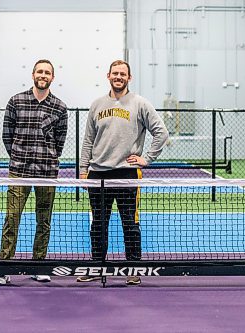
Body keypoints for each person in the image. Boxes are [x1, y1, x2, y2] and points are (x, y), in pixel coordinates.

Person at [78, 60, 168, 286]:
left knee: (130, 223)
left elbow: (162, 133)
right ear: (108, 76)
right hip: (98, 175)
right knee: (98, 224)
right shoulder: (97, 105)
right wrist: (82, 170)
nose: (118, 77)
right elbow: (88, 140)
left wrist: (146, 159)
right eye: (115, 73)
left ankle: (134, 269)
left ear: (130, 77)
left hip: (127, 174)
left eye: (123, 74)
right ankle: (98, 266)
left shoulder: (140, 104)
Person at [0, 59, 68, 285]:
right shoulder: (16, 101)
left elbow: (60, 143)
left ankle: (39, 266)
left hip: (47, 173)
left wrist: (48, 157)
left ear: (52, 78)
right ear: (33, 74)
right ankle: (4, 270)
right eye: (40, 71)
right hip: (19, 171)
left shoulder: (60, 107)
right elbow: (7, 136)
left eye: (47, 72)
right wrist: (18, 156)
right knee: (12, 219)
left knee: (44, 221)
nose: (43, 75)